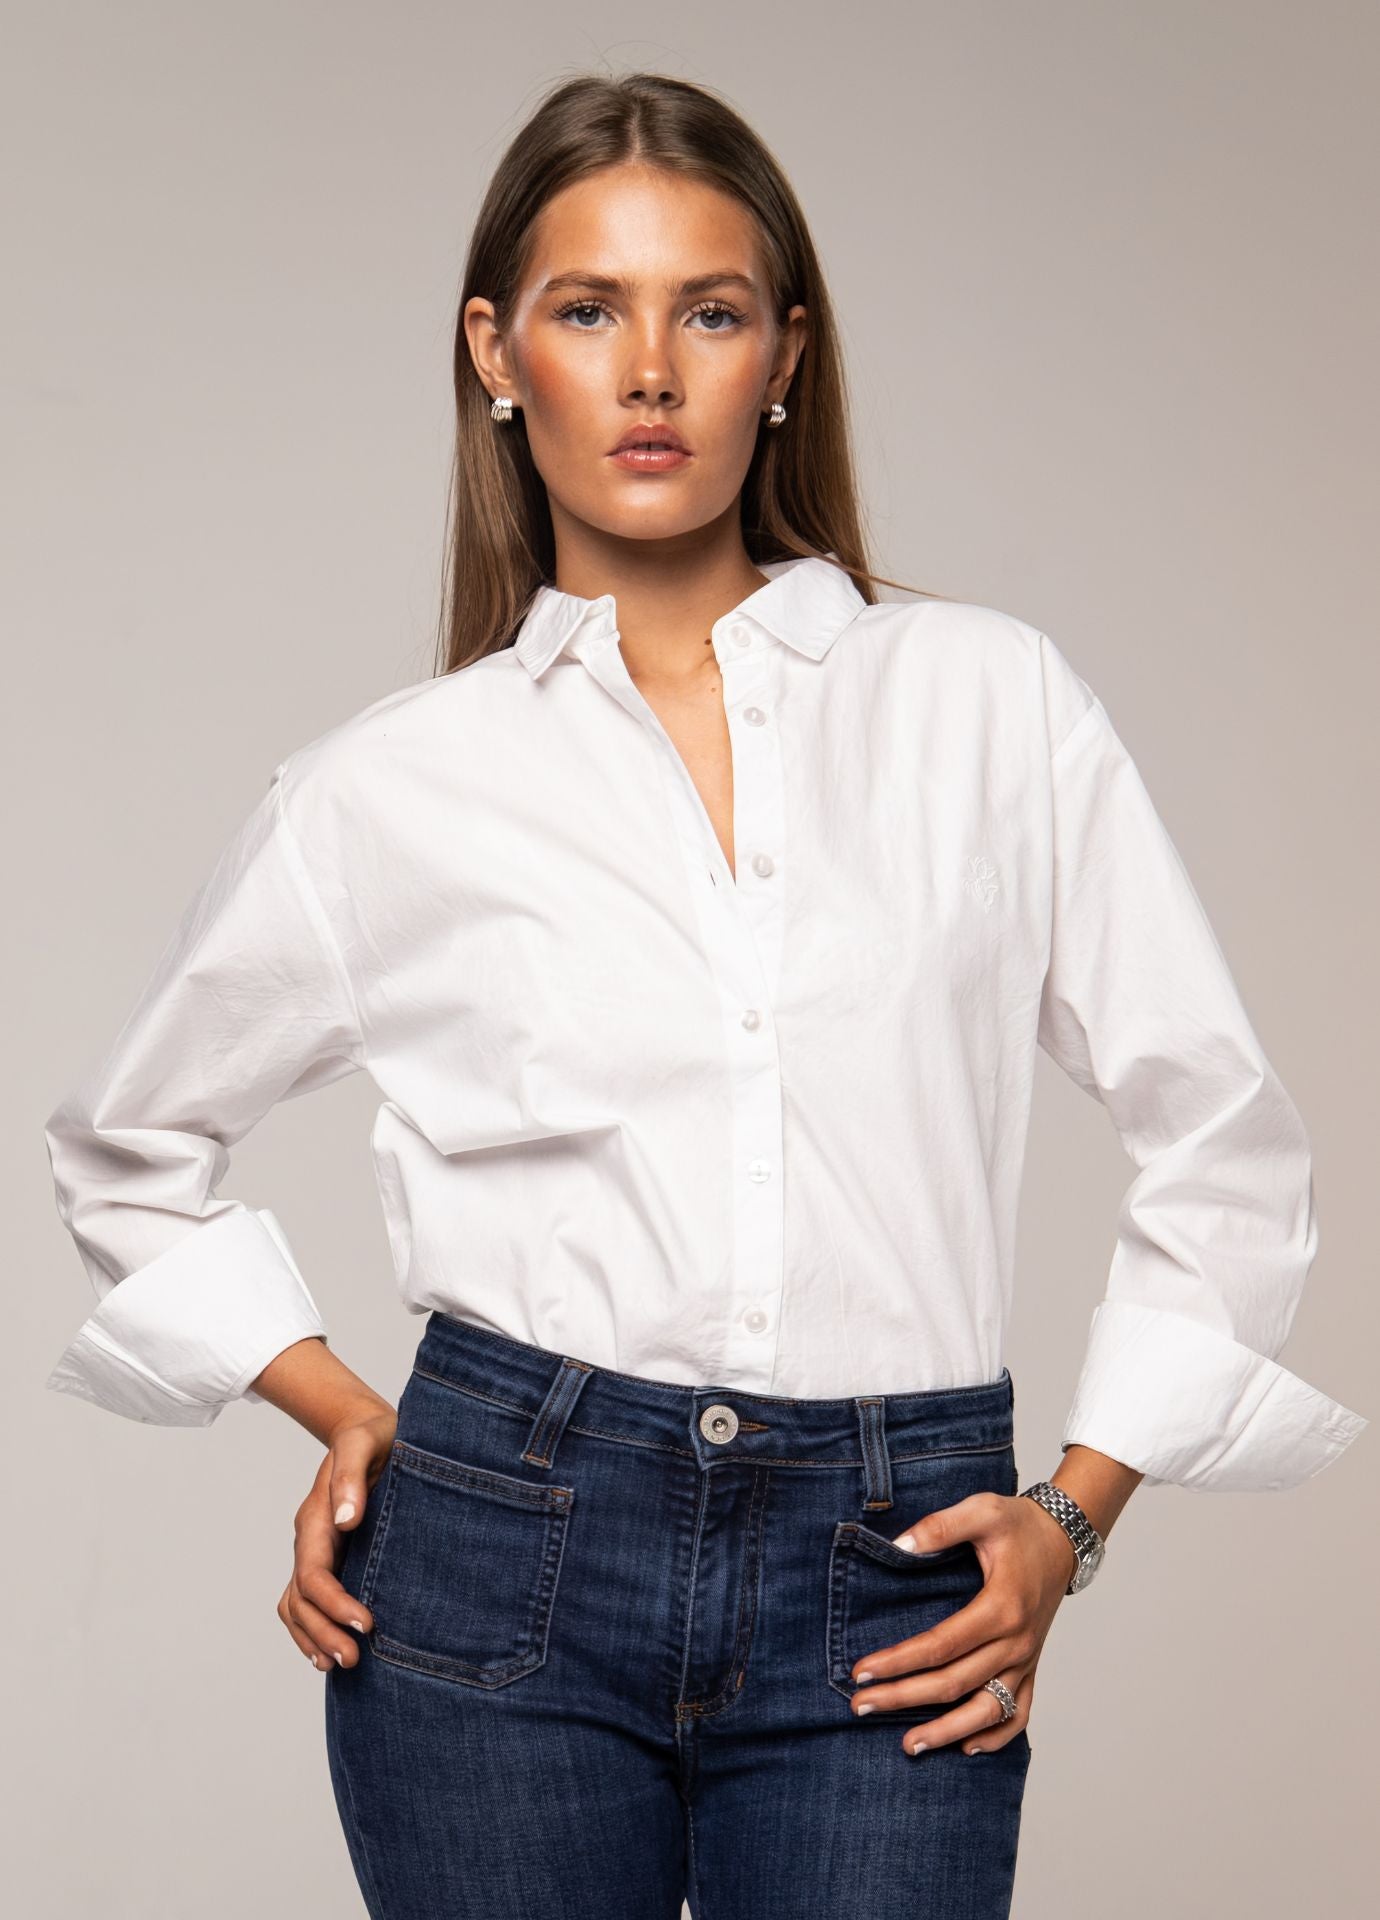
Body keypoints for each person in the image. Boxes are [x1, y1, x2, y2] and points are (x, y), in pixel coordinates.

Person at [42, 69, 1365, 1920]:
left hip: (891, 1563)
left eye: (711, 310)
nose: (650, 370)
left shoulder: (987, 709)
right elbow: (129, 1151)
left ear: (787, 356)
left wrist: (1072, 1515)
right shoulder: (388, 787)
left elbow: (1221, 1137)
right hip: (498, 1562)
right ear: (498, 354)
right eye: (591, 310)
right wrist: (347, 1408)